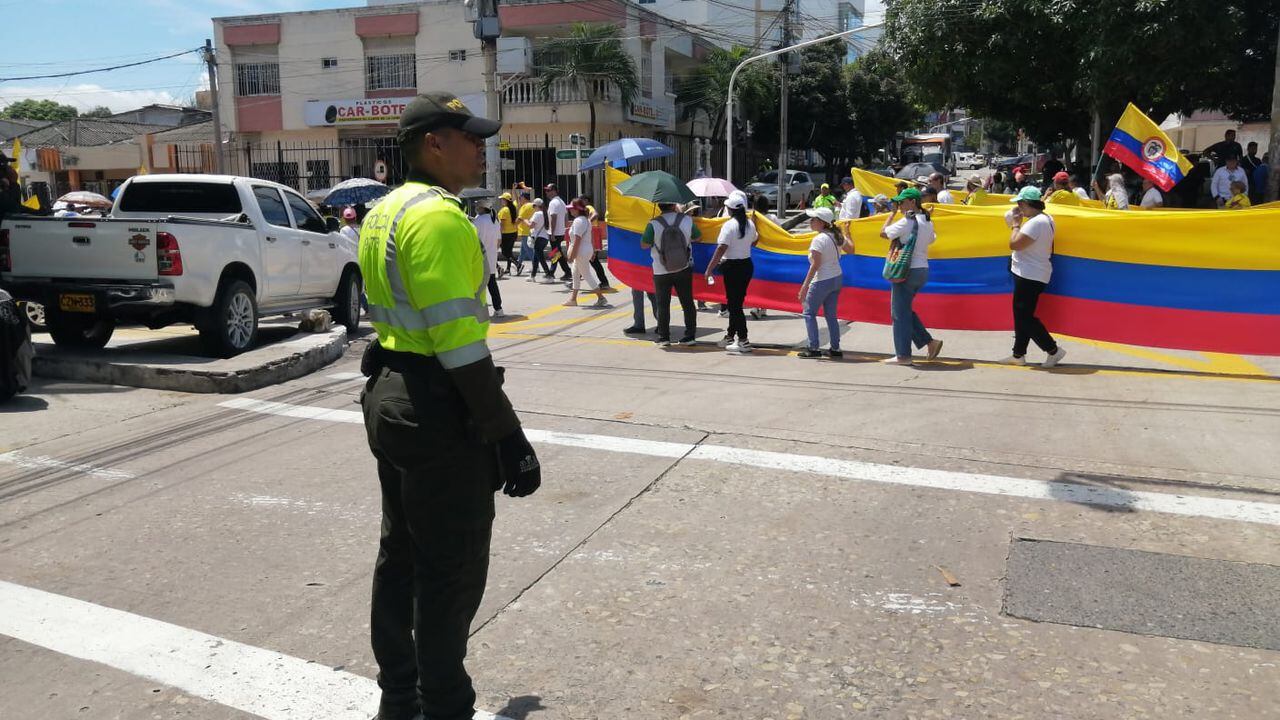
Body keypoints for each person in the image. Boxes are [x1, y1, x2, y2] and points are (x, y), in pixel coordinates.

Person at [356, 90, 541, 720]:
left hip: (392, 394)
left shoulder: (386, 210)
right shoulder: (437, 217)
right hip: (436, 404)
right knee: (449, 569)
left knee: (400, 555)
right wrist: (507, 437)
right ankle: (443, 706)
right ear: (433, 143)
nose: (481, 147)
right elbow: (460, 345)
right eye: (471, 136)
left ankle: (399, 699)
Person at [1001, 186, 1066, 367]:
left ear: (1029, 204)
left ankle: (1052, 350)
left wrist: (1015, 225)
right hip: (1033, 273)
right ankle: (1018, 354)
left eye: (1021, 204)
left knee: (1024, 317)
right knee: (1022, 315)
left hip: (1030, 274)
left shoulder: (1036, 223)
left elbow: (1014, 244)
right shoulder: (1045, 219)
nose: (1019, 208)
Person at [880, 187, 943, 366]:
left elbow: (883, 233)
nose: (899, 205)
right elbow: (931, 239)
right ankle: (930, 343)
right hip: (922, 270)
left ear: (913, 202)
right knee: (904, 310)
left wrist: (891, 216)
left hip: (906, 271)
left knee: (899, 314)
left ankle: (903, 355)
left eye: (902, 202)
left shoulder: (907, 221)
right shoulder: (927, 221)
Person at [704, 191, 758, 353]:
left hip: (732, 267)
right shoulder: (750, 224)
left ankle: (743, 340)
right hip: (746, 265)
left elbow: (721, 248)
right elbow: (755, 241)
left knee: (734, 306)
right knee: (736, 303)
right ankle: (729, 336)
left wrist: (709, 269)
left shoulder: (729, 225)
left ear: (730, 209)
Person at [641, 201, 700, 346]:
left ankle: (664, 337)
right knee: (687, 303)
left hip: (661, 271)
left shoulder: (653, 224)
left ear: (659, 206)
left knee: (662, 304)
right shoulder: (686, 220)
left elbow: (644, 245)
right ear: (674, 205)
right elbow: (698, 237)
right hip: (683, 267)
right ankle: (690, 335)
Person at [797, 207, 851, 359]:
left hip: (822, 279)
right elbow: (851, 249)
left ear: (821, 223)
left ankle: (813, 347)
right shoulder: (837, 235)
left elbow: (816, 264)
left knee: (808, 313)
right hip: (836, 277)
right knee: (831, 315)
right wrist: (848, 233)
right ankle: (835, 348)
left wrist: (804, 286)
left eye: (813, 219)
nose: (810, 221)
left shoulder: (819, 239)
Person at [564, 198, 609, 307]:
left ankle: (601, 298)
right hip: (585, 249)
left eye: (572, 209)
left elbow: (577, 240)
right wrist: (592, 250)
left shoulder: (579, 221)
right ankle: (573, 299)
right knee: (575, 273)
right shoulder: (586, 220)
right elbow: (591, 237)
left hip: (580, 251)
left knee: (586, 274)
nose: (570, 211)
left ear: (577, 209)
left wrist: (572, 255)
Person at [471, 198, 504, 317]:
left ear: (481, 208)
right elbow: (499, 241)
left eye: (477, 206)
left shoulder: (479, 220)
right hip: (491, 256)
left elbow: (473, 238)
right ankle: (498, 308)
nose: (476, 208)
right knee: (491, 283)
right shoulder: (495, 220)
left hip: (480, 257)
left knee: (477, 285)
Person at [748, 193, 774, 320]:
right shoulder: (772, 218)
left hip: (755, 253)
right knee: (765, 281)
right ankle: (762, 308)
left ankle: (756, 306)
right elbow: (781, 233)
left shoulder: (751, 219)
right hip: (769, 253)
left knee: (755, 281)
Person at [582, 195, 610, 288]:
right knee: (588, 260)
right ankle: (576, 279)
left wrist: (588, 222)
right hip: (592, 235)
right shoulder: (585, 209)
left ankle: (604, 282)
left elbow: (595, 214)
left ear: (586, 200)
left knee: (592, 261)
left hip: (592, 234)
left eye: (581, 200)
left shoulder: (588, 207)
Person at [544, 183, 571, 280]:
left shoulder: (553, 203)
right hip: (560, 232)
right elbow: (566, 217)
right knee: (557, 253)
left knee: (555, 253)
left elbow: (553, 218)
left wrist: (553, 233)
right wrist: (564, 228)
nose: (546, 192)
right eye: (546, 190)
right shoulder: (561, 202)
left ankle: (551, 272)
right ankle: (567, 271)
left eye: (548, 190)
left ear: (554, 191)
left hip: (555, 233)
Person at [526, 198, 555, 282]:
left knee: (541, 258)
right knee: (536, 257)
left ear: (537, 206)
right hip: (544, 238)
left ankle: (549, 275)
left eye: (534, 206)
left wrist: (525, 221)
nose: (533, 207)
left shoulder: (537, 214)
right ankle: (532, 276)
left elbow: (531, 226)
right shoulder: (546, 213)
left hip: (538, 238)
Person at [496, 192, 521, 277]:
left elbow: (502, 224)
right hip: (513, 232)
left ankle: (518, 264)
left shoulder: (504, 210)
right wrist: (514, 190)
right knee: (509, 252)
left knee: (505, 252)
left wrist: (499, 234)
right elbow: (516, 200)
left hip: (505, 234)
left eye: (502, 199)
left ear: (505, 200)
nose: (501, 201)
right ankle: (508, 269)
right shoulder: (513, 208)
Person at [515, 188, 535, 274]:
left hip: (524, 230)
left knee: (528, 249)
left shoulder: (524, 206)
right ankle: (518, 264)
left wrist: (512, 226)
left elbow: (520, 219)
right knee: (523, 250)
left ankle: (535, 266)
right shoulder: (533, 205)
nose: (519, 199)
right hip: (531, 230)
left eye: (520, 198)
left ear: (524, 198)